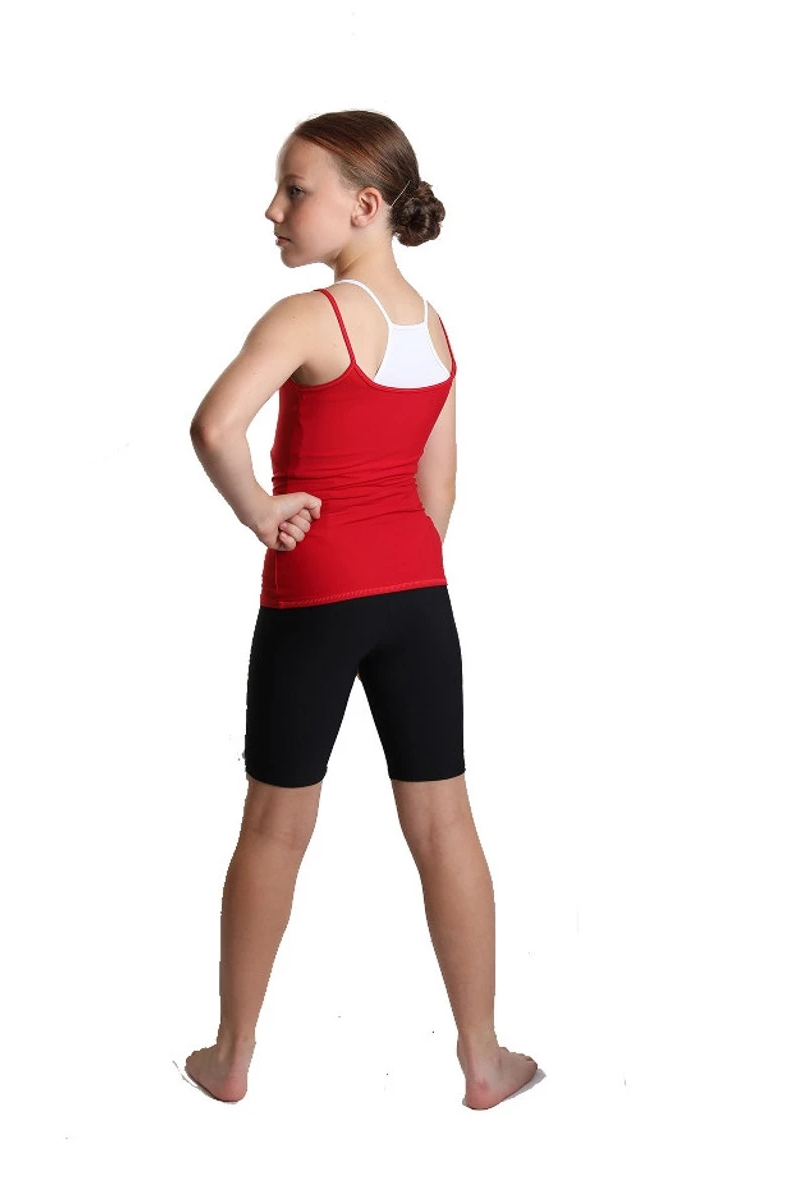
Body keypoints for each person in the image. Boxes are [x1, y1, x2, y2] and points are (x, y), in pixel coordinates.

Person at [184, 110, 538, 1109]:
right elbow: (440, 488)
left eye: (294, 190)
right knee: (444, 821)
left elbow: (213, 426)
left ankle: (230, 1058)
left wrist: (261, 510)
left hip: (314, 594)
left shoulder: (312, 317)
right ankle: (484, 1059)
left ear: (364, 204)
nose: (273, 208)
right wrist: (399, 567)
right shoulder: (435, 328)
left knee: (275, 825)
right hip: (417, 600)